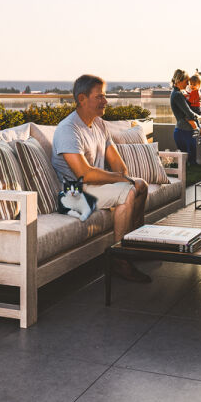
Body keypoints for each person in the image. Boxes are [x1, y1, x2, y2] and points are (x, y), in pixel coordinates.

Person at [52, 74, 151, 283]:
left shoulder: (99, 124)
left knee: (141, 185)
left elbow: (118, 164)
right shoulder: (68, 129)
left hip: (94, 186)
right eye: (100, 97)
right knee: (128, 192)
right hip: (73, 193)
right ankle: (120, 261)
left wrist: (122, 177)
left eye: (104, 96)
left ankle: (134, 246)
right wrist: (119, 180)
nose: (105, 101)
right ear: (82, 99)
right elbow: (84, 173)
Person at [170, 67, 201, 165]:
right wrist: (199, 116)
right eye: (186, 81)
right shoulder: (177, 95)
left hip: (184, 131)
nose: (188, 84)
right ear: (179, 81)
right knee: (191, 163)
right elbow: (189, 113)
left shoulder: (177, 93)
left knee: (187, 163)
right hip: (184, 132)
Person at [186, 73, 201, 143]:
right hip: (196, 108)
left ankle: (197, 131)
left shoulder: (196, 92)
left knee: (189, 119)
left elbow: (191, 100)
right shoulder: (195, 91)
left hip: (195, 109)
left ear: (199, 85)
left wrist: (186, 97)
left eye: (194, 84)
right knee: (197, 122)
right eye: (190, 84)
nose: (192, 86)